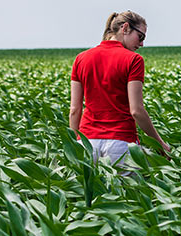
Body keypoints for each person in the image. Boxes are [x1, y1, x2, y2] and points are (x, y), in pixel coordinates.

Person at [69, 10, 171, 175]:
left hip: (87, 143)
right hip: (120, 143)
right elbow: (136, 111)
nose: (142, 44)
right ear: (125, 28)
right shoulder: (133, 60)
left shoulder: (81, 59)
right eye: (141, 37)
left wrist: (74, 144)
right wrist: (160, 143)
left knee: (90, 197)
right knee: (128, 198)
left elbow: (75, 109)